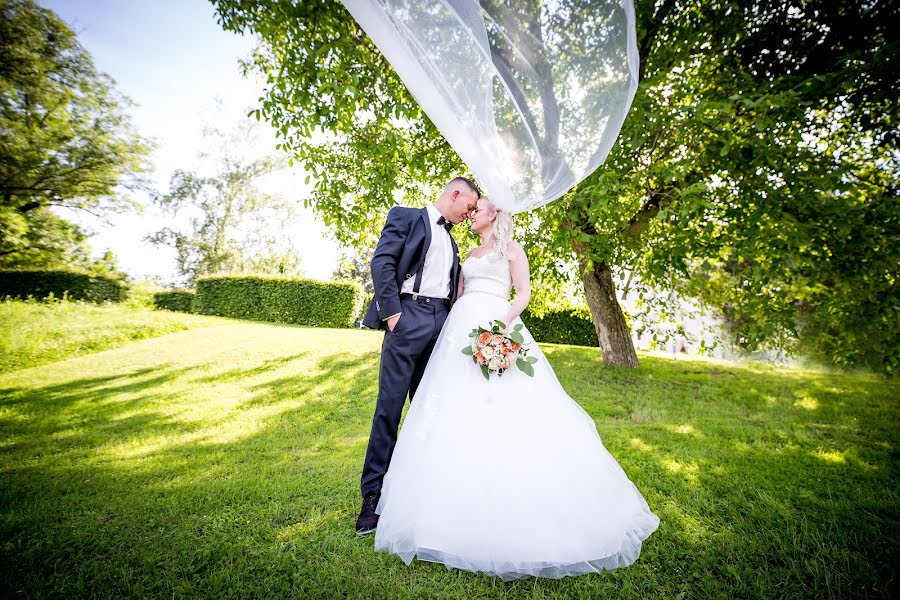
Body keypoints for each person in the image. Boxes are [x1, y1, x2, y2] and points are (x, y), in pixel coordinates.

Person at [367, 196, 660, 580]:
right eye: (470, 207)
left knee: (503, 409)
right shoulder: (466, 250)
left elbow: (523, 293)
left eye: (479, 208)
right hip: (457, 330)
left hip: (496, 327)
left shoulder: (512, 249)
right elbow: (454, 293)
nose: (473, 213)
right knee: (449, 409)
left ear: (495, 214)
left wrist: (500, 327)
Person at [356, 176, 481, 535]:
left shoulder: (454, 244)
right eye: (469, 207)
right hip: (407, 318)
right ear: (455, 194)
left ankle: (422, 498)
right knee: (389, 410)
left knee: (430, 412)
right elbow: (382, 263)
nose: (470, 214)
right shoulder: (406, 216)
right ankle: (371, 500)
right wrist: (394, 314)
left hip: (440, 325)